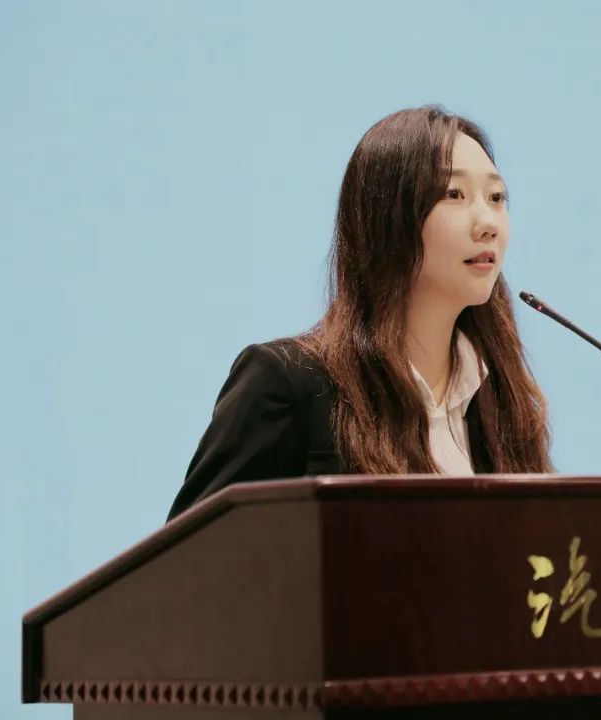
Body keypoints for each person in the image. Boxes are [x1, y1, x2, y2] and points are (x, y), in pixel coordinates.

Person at [167, 106, 553, 521]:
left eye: (496, 198)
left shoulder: (501, 401)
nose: (488, 223)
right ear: (387, 217)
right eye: (454, 194)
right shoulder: (290, 384)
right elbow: (192, 553)